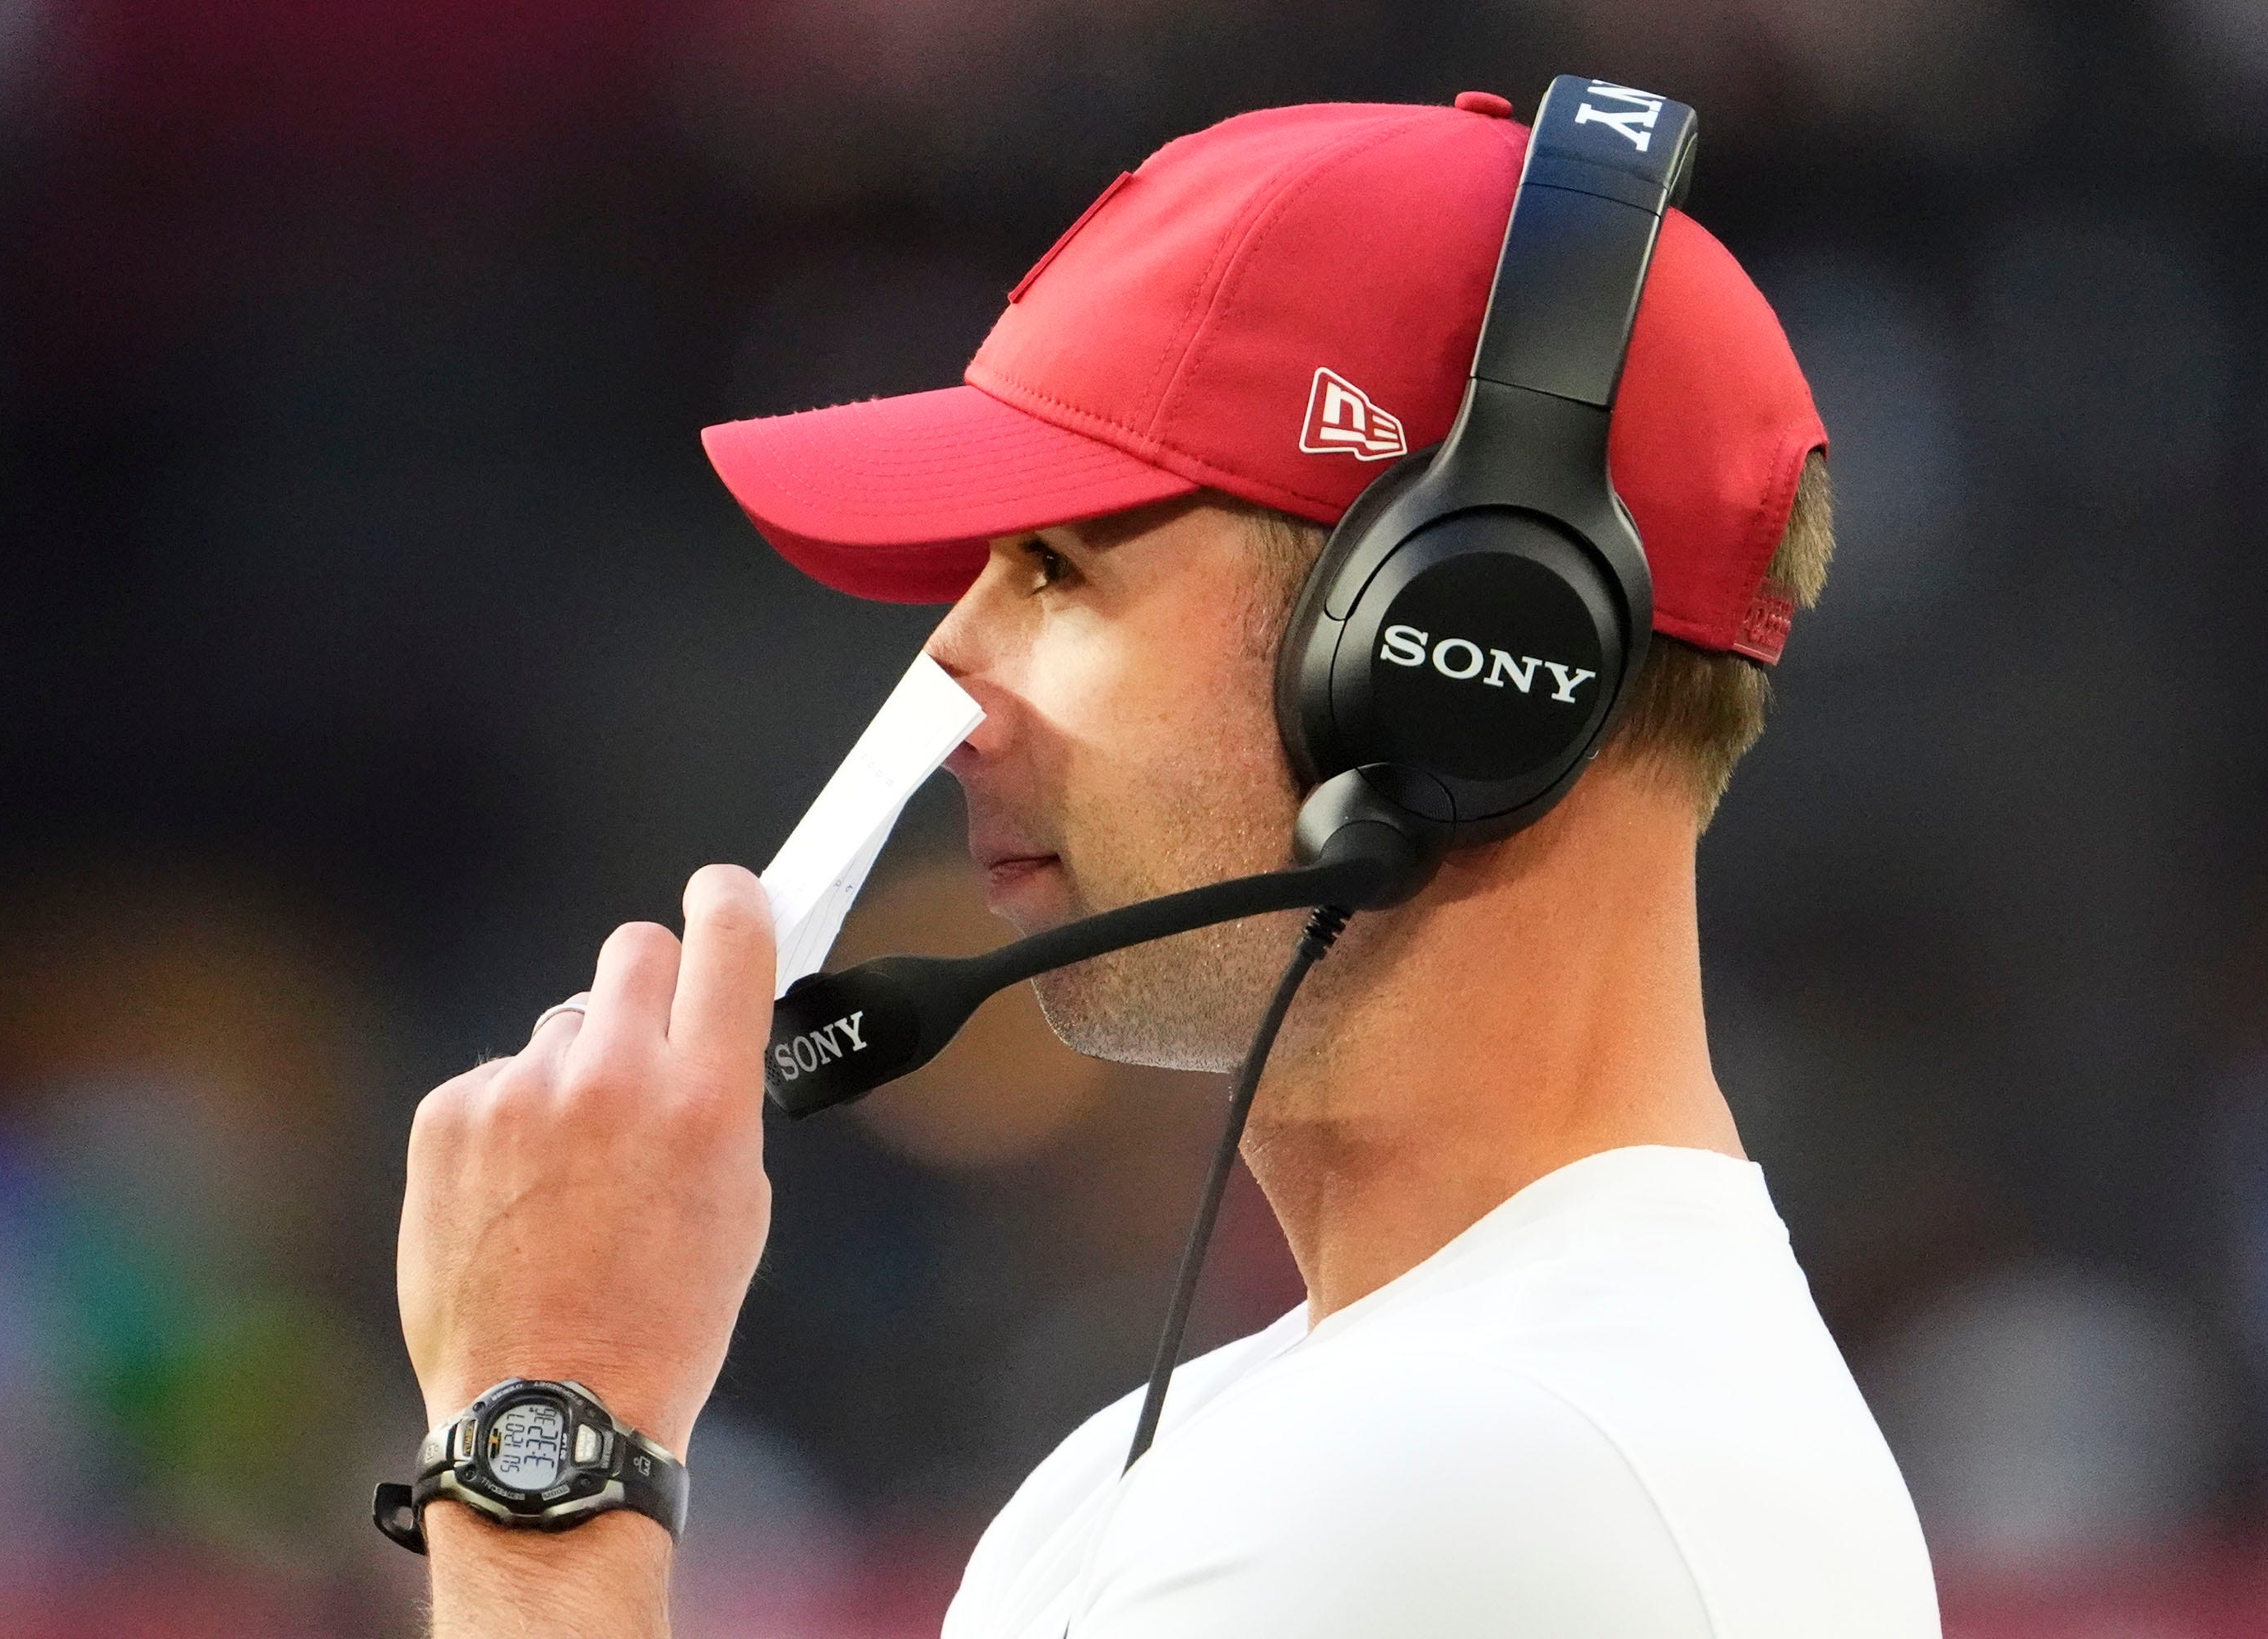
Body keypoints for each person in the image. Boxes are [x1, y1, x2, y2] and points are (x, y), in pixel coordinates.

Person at [391, 95, 1942, 1636]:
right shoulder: (1330, 1437)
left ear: (1444, 659)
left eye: (1053, 568)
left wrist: (550, 1437)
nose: (948, 700)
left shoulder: (1461, 1478)